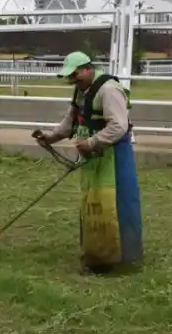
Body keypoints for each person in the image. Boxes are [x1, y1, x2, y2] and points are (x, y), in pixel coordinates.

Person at [33, 51, 143, 275]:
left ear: (87, 68)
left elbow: (119, 126)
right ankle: (97, 254)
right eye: (70, 77)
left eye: (75, 75)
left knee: (117, 204)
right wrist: (50, 137)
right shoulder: (82, 91)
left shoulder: (109, 90)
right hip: (93, 159)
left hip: (114, 157)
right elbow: (71, 122)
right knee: (94, 205)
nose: (72, 80)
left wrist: (92, 142)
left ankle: (121, 258)